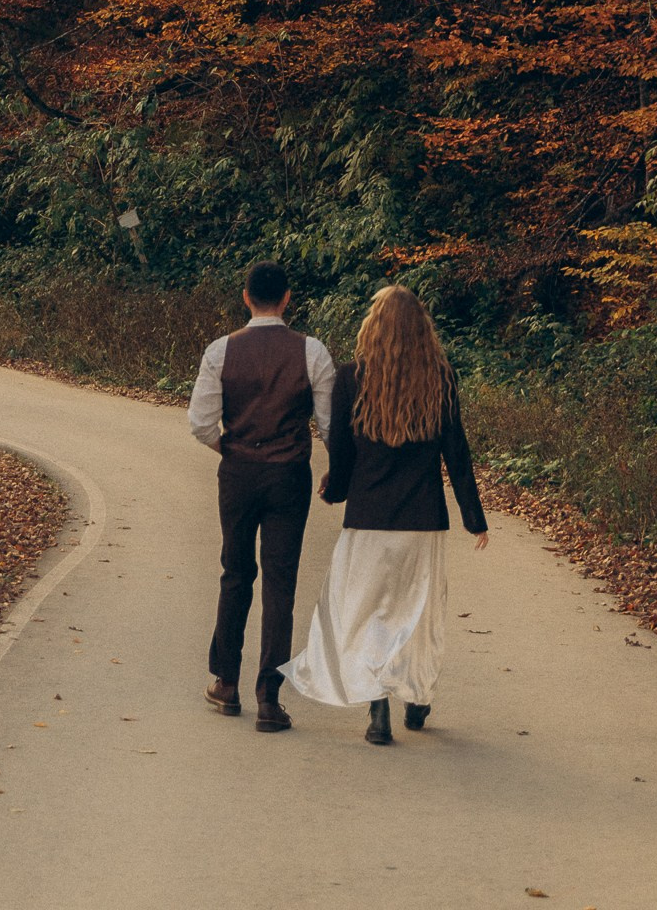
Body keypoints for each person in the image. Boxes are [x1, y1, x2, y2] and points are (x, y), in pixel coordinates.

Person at [286, 281, 488, 748]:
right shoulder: (440, 377)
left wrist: (335, 491)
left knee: (368, 611)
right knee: (417, 613)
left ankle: (377, 706)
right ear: (422, 328)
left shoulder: (352, 377)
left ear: (372, 327)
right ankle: (416, 699)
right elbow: (456, 451)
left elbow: (341, 450)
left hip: (368, 518)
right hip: (423, 520)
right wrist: (473, 516)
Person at [188, 260, 336, 734]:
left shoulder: (220, 351)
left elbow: (201, 423)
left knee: (235, 572)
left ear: (246, 298)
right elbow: (332, 426)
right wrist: (338, 470)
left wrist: (231, 449)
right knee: (280, 583)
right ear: (288, 298)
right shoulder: (312, 352)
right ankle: (269, 697)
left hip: (238, 474)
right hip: (288, 476)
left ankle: (226, 682)